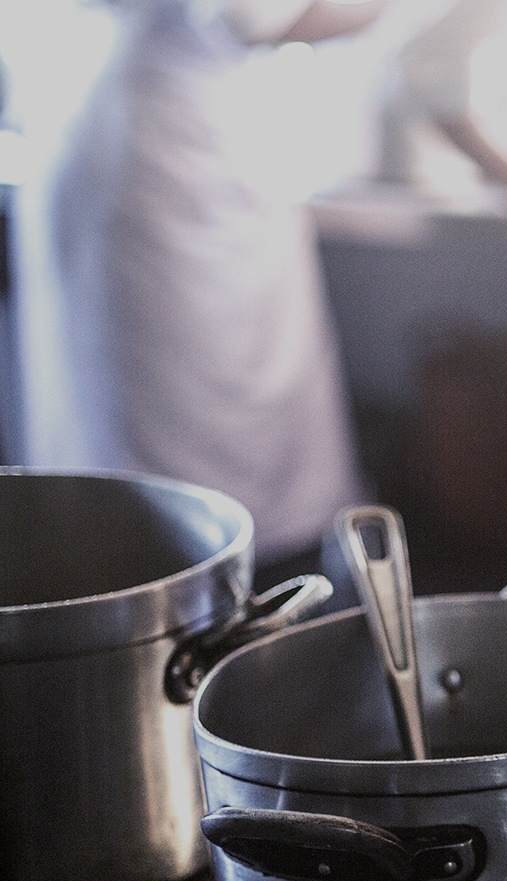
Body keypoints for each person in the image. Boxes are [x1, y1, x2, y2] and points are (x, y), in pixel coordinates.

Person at [11, 0, 379, 580]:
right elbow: (258, 14)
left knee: (116, 436)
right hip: (168, 147)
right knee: (202, 461)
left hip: (111, 111)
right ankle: (229, 623)